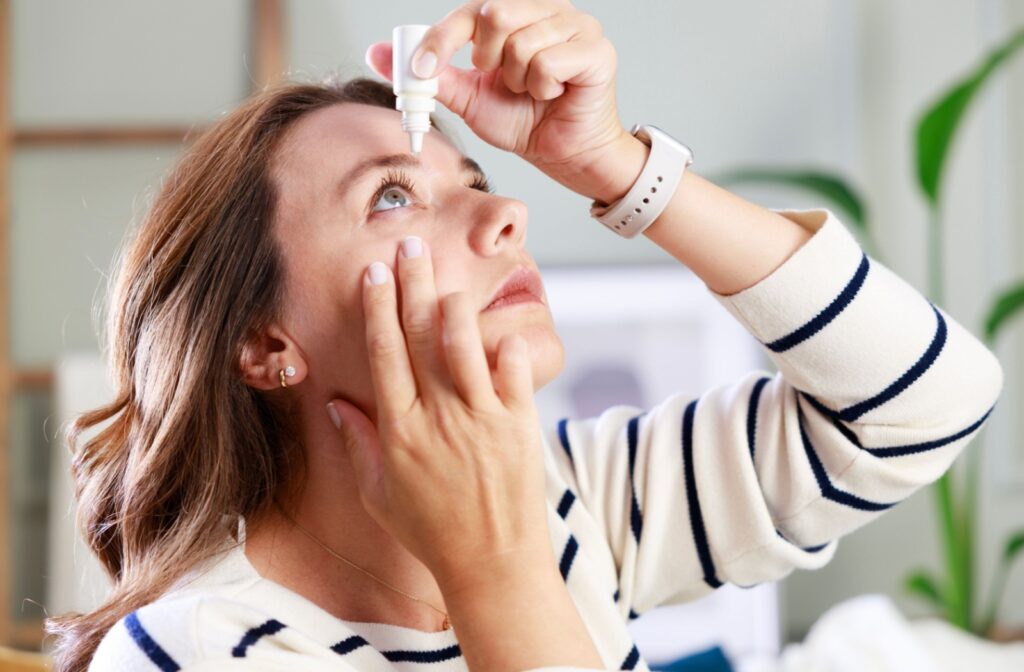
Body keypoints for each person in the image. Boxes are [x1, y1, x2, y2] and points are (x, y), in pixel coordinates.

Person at [47, 1, 1003, 671]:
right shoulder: (203, 652)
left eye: (473, 179)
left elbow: (924, 404)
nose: (506, 210)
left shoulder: (570, 504)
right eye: (391, 197)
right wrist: (494, 570)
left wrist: (617, 167)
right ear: (264, 343)